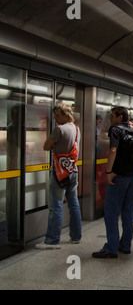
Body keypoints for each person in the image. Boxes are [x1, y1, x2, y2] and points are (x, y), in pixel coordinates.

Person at [92, 106, 133, 258]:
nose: (110, 118)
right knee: (127, 212)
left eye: (112, 115)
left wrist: (109, 171)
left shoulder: (115, 130)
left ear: (120, 117)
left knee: (111, 213)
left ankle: (111, 248)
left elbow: (113, 150)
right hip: (131, 177)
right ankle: (126, 245)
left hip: (119, 176)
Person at [36, 104, 82, 249]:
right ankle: (76, 236)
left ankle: (52, 240)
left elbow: (46, 146)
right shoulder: (76, 128)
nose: (55, 118)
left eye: (57, 115)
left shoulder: (59, 129)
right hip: (72, 170)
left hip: (59, 171)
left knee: (55, 206)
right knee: (73, 203)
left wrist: (53, 140)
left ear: (64, 114)